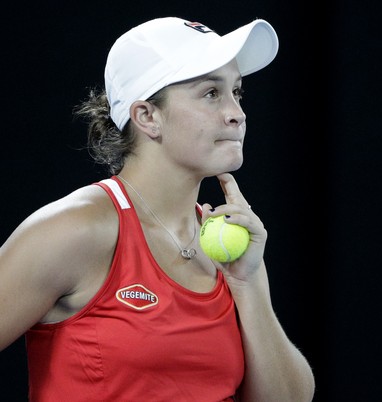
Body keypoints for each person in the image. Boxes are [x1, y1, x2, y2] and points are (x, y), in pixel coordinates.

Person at [0, 16, 315, 401]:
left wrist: (247, 284)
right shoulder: (74, 228)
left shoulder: (232, 248)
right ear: (148, 116)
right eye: (211, 94)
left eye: (237, 92)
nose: (237, 113)